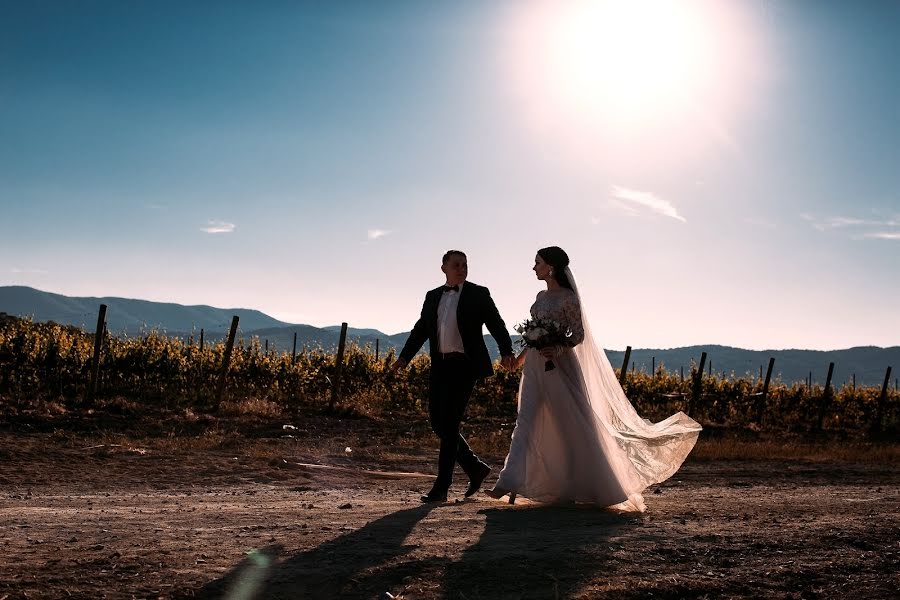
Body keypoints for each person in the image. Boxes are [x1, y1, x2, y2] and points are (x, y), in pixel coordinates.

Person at [486, 246, 702, 511]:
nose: (534, 268)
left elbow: (578, 335)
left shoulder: (568, 299)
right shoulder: (540, 296)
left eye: (537, 263)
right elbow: (533, 337)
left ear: (550, 267)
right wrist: (519, 359)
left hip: (560, 366)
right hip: (533, 367)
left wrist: (557, 348)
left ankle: (581, 484)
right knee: (525, 420)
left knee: (570, 427)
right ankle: (507, 481)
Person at [392, 250, 516, 503]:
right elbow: (421, 330)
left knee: (449, 424)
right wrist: (405, 358)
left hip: (465, 366)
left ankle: (442, 487)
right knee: (438, 422)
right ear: (444, 268)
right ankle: (474, 467)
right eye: (456, 265)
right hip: (440, 365)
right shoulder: (432, 296)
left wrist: (506, 351)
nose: (462, 269)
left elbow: (497, 324)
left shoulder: (478, 294)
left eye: (465, 265)